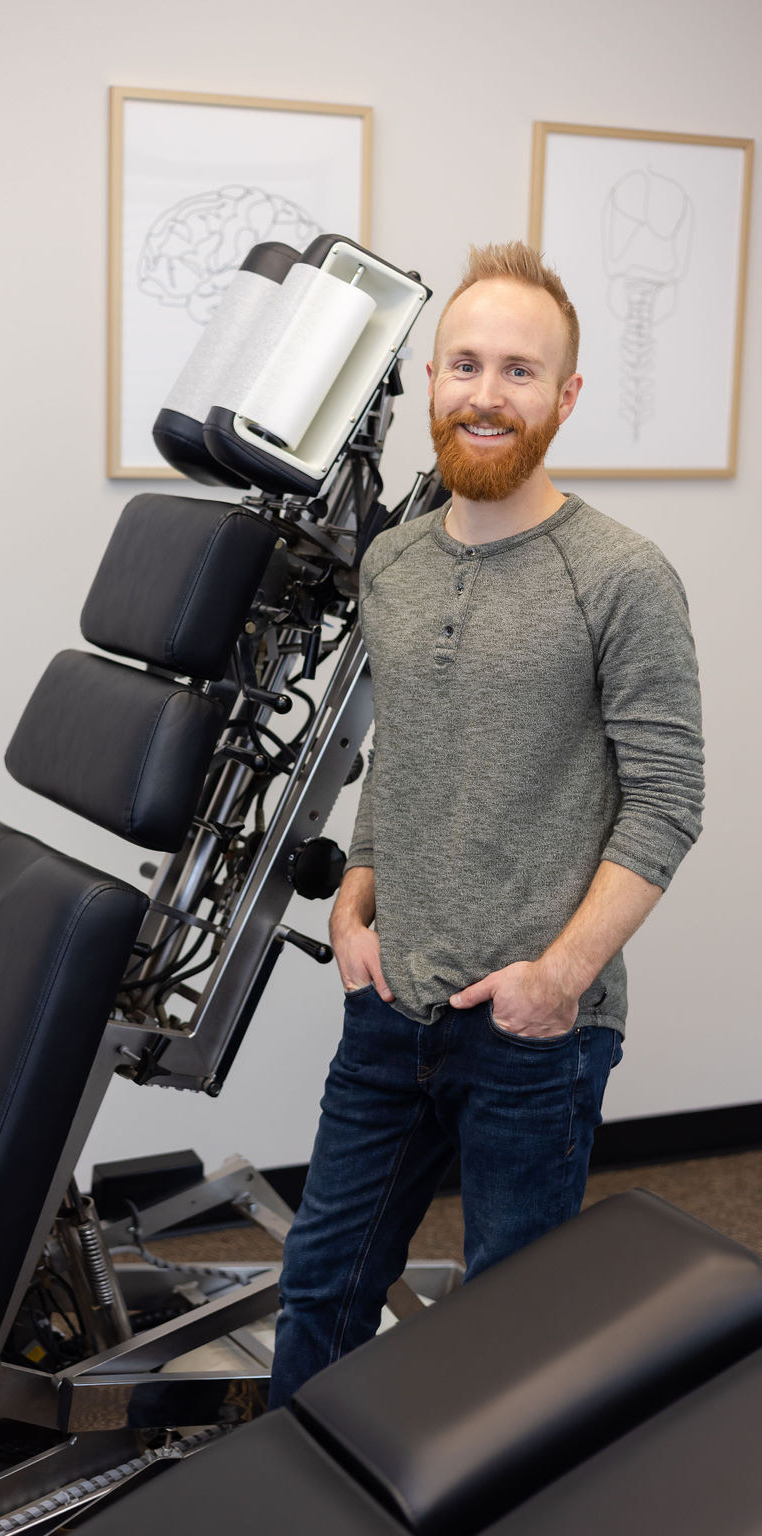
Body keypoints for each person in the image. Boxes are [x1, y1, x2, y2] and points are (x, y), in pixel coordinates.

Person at [268, 241, 704, 1409]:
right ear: (428, 378)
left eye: (519, 371)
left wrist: (557, 980)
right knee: (318, 1293)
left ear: (563, 398)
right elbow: (402, 746)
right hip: (386, 1009)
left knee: (508, 1336)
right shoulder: (396, 563)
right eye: (465, 363)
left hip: (531, 1036)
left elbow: (668, 797)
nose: (486, 393)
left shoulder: (620, 575)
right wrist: (357, 895)